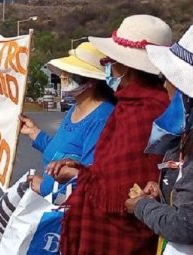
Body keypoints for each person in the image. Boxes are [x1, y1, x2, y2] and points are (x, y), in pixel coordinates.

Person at [48, 15, 172, 255]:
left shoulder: (144, 111)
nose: (108, 69)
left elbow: (122, 190)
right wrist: (83, 169)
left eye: (109, 62)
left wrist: (82, 176)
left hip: (121, 237)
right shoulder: (131, 105)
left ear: (125, 67)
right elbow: (111, 170)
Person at [125, 25, 193, 255]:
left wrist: (142, 206)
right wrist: (165, 193)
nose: (164, 85)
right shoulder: (185, 136)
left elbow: (186, 225)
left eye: (168, 77)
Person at [21, 42, 116, 205]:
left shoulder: (102, 117)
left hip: (71, 207)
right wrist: (33, 132)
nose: (64, 77)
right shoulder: (75, 108)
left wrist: (44, 187)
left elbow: (87, 175)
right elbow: (61, 152)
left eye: (71, 73)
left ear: (91, 82)